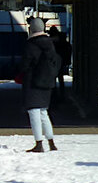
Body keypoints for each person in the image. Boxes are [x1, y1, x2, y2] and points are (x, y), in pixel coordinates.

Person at [20, 17, 62, 152]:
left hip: (32, 82)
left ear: (31, 29)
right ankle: (51, 142)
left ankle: (38, 143)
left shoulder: (31, 45)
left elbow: (25, 65)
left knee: (34, 112)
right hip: (47, 82)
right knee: (43, 112)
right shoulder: (50, 44)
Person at [49, 26, 73, 98]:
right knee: (60, 78)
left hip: (53, 62)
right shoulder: (63, 41)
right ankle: (62, 93)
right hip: (62, 61)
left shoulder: (51, 41)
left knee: (53, 78)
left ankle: (54, 94)